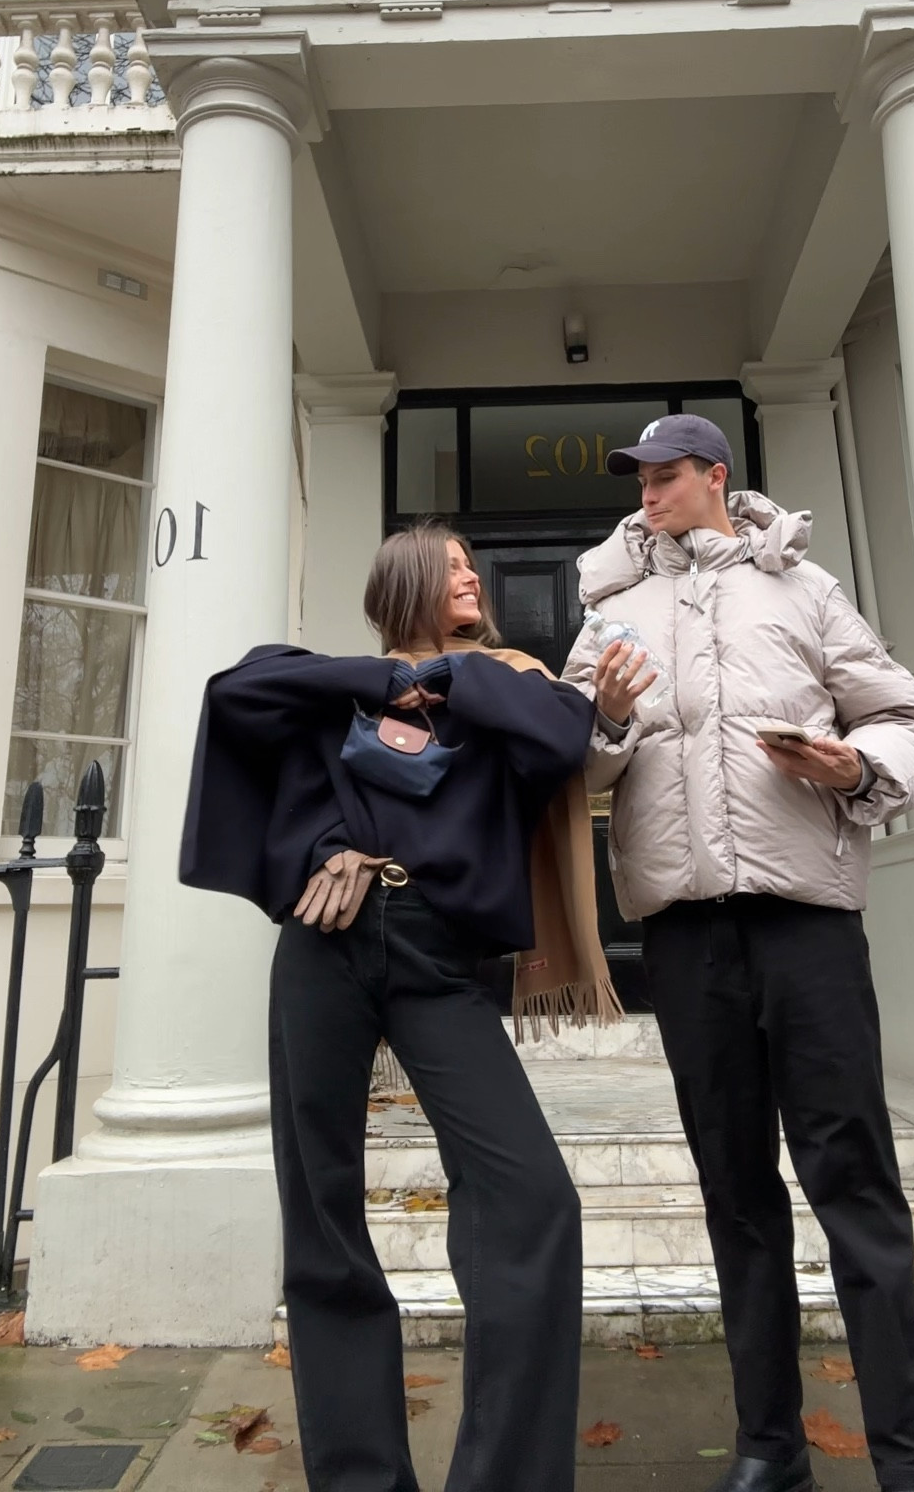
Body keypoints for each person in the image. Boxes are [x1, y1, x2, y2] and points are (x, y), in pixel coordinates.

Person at [179, 523, 621, 1492]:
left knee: (532, 1197)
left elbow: (563, 734)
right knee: (323, 1211)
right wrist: (371, 715)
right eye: (454, 565)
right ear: (407, 582)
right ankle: (363, 1480)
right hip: (325, 945)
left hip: (438, 952)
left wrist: (453, 683)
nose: (472, 576)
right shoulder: (329, 682)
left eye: (472, 566)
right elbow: (233, 696)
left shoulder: (506, 687)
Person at [563, 416, 914, 1492]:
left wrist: (853, 763)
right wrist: (601, 720)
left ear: (717, 478)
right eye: (638, 477)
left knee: (856, 1185)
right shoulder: (610, 612)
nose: (648, 491)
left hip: (807, 926)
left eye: (668, 474)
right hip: (685, 936)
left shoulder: (805, 590)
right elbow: (569, 771)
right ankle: (770, 1450)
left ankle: (908, 1460)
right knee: (735, 1192)